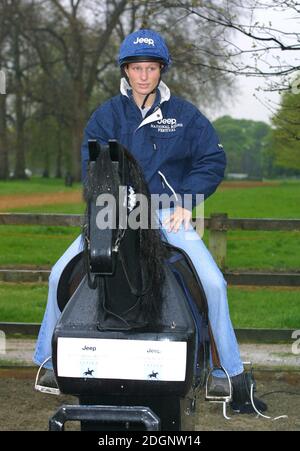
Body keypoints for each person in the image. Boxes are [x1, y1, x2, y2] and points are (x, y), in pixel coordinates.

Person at [34, 28, 267, 414]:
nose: (143, 76)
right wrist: (107, 200)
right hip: (115, 211)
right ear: (125, 71)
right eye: (136, 68)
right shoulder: (106, 115)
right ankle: (48, 361)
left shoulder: (184, 116)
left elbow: (212, 159)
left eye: (151, 68)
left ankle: (227, 371)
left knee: (214, 282)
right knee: (59, 273)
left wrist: (188, 201)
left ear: (161, 70)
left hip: (166, 214)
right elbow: (92, 164)